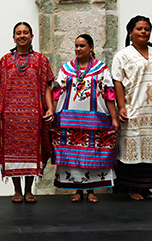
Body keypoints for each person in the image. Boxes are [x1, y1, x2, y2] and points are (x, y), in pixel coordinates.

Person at [0, 22, 55, 203]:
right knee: (12, 154)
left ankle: (29, 190)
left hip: (33, 116)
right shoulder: (5, 60)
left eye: (26, 33)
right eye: (18, 33)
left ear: (32, 36)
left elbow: (47, 87)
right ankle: (17, 190)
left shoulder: (41, 60)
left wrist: (50, 108)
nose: (22, 36)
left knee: (33, 153)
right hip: (9, 116)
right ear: (13, 37)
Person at [51, 34, 119, 202]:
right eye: (76, 45)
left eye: (82, 45)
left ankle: (91, 191)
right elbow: (57, 91)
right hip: (69, 119)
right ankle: (77, 190)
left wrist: (114, 118)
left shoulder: (101, 69)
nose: (78, 49)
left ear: (91, 48)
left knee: (93, 154)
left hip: (95, 119)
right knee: (74, 155)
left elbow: (109, 93)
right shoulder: (66, 69)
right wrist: (51, 111)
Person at [112, 16, 152, 200]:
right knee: (133, 146)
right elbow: (117, 81)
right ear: (130, 32)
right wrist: (121, 107)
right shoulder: (122, 55)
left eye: (146, 29)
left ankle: (148, 187)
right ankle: (133, 188)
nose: (143, 32)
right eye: (139, 29)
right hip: (134, 108)